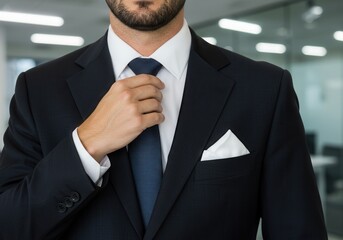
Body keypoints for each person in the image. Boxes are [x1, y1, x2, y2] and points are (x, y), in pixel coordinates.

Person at [0, 0, 327, 239]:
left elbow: (297, 230)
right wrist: (87, 145)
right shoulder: (39, 89)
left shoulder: (264, 88)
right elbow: (10, 225)